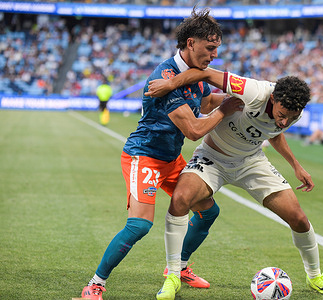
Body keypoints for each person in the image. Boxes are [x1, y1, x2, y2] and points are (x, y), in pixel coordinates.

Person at [80, 8, 243, 300]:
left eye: (217, 48)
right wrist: (225, 109)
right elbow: (194, 129)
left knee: (208, 212)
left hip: (171, 159)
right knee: (140, 225)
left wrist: (241, 98)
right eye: (210, 48)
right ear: (190, 43)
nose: (214, 55)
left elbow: (205, 102)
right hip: (144, 156)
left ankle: (178, 268)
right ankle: (95, 283)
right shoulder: (165, 77)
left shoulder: (192, 75)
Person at [147, 67, 323, 299]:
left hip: (251, 162)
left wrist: (295, 165)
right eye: (282, 113)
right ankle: (173, 276)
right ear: (273, 98)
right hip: (212, 158)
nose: (285, 120)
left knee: (299, 218)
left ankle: (315, 277)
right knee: (180, 200)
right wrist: (171, 84)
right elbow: (207, 73)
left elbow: (273, 131)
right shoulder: (254, 90)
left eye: (291, 117)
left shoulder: (292, 111)